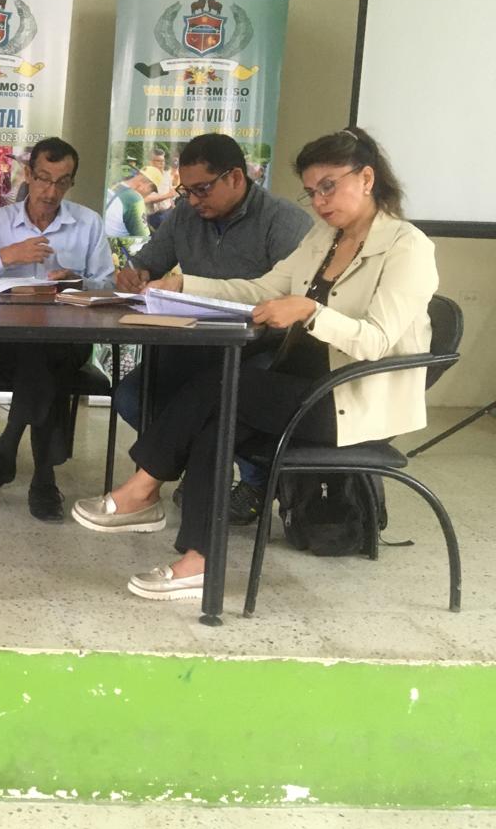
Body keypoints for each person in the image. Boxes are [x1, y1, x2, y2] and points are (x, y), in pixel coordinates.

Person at [72, 127, 436, 601]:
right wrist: (185, 285)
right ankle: (198, 562)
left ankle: (143, 488)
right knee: (217, 417)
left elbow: (378, 341)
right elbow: (263, 289)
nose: (320, 201)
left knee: (222, 388)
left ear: (366, 178)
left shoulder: (407, 246)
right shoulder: (325, 237)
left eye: (329, 186)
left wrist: (310, 311)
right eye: (312, 191)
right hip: (300, 386)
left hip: (351, 400)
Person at [112, 133, 313, 522]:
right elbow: (149, 262)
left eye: (202, 189)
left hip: (260, 349)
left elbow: (284, 298)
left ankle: (255, 481)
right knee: (132, 397)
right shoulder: (185, 215)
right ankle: (199, 464)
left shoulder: (284, 221)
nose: (192, 200)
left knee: (225, 400)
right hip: (194, 342)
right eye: (186, 190)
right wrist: (136, 274)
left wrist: (185, 284)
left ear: (235, 177)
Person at [0, 137, 114, 521]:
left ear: (71, 182)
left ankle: (6, 451)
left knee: (45, 356)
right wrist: (4, 256)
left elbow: (108, 286)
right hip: (10, 342)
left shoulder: (88, 223)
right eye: (44, 179)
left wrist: (78, 283)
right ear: (28, 174)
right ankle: (42, 479)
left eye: (62, 182)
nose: (51, 191)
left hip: (69, 341)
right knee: (39, 361)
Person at [104, 166, 159, 237]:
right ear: (148, 186)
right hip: (113, 242)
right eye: (151, 191)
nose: (148, 194)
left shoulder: (115, 185)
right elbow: (143, 237)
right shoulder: (135, 199)